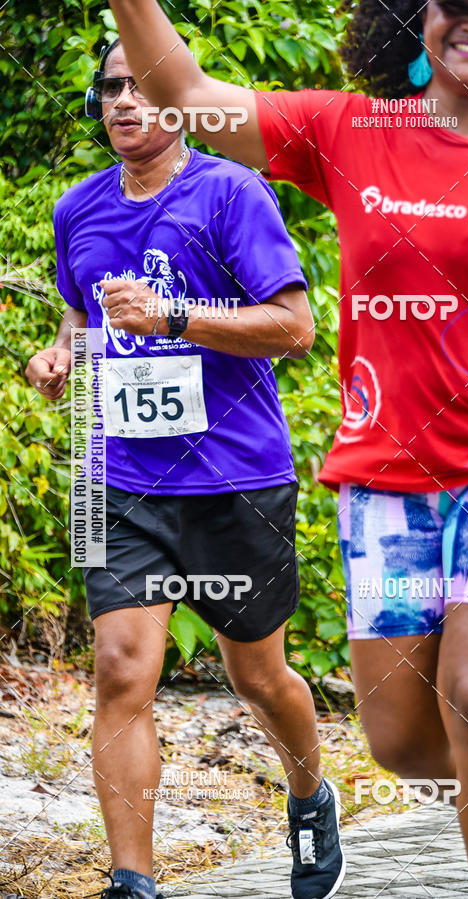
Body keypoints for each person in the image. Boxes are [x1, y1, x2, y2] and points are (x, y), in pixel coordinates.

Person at [106, 0, 468, 896]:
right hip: (386, 471)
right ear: (421, 17)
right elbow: (180, 91)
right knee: (406, 739)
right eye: (459, 3)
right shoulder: (349, 129)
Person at [25, 38, 346, 899]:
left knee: (257, 675)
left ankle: (311, 794)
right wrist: (62, 356)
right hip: (121, 479)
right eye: (110, 90)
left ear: (178, 99)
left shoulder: (231, 193)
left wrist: (174, 317)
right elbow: (80, 315)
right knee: (124, 669)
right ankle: (134, 880)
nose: (124, 103)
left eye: (140, 87)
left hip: (236, 477)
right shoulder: (78, 208)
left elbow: (294, 326)